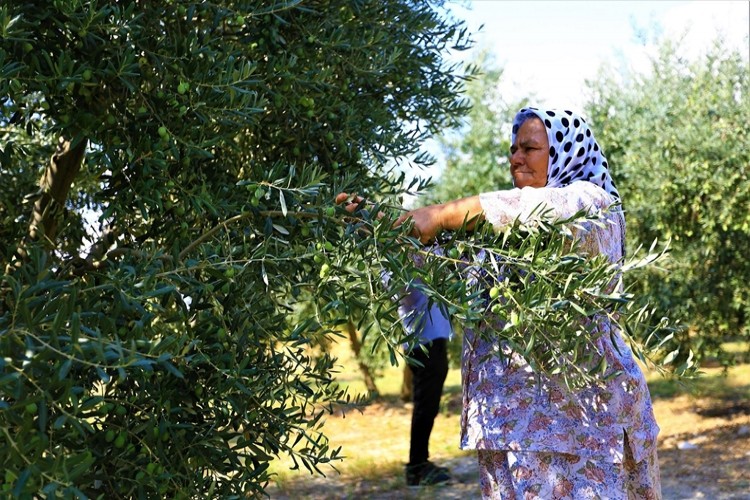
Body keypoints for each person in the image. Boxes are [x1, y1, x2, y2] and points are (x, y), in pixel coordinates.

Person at [338, 106, 661, 498]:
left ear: (564, 152)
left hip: (586, 430)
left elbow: (538, 210)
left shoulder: (592, 205)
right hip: (509, 428)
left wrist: (438, 216)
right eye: (513, 148)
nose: (516, 157)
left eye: (530, 148)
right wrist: (375, 223)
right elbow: (432, 264)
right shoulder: (496, 227)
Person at [396, 286, 453, 486]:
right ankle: (416, 468)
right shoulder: (397, 260)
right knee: (425, 405)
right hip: (422, 340)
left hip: (431, 337)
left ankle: (420, 463)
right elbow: (405, 293)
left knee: (429, 405)